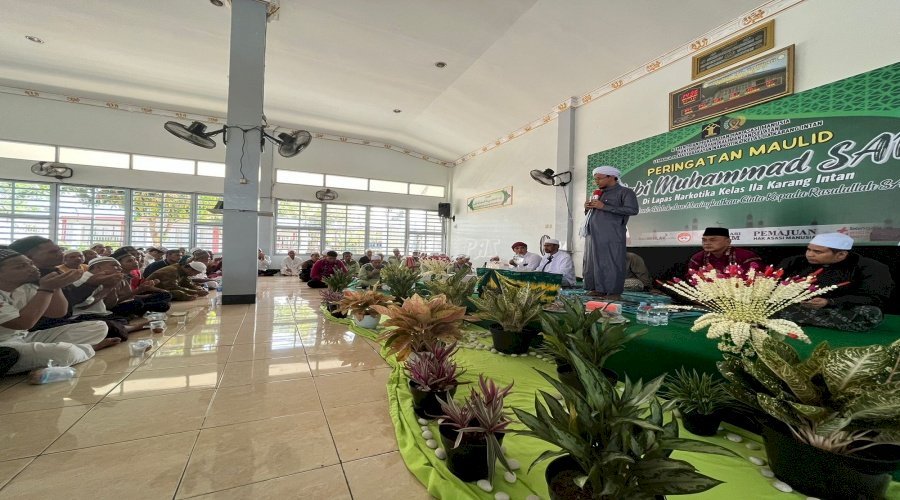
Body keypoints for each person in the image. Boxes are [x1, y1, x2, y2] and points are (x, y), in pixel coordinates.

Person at [0, 248, 113, 374]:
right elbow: (23, 323)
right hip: (5, 347)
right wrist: (46, 289)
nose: (31, 268)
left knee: (98, 327)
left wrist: (56, 286)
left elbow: (58, 313)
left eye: (31, 263)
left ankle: (68, 352)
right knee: (65, 352)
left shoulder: (26, 288)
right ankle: (89, 348)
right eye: (20, 267)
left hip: (24, 337)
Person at [775, 233, 894, 332]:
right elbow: (774, 283)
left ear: (841, 254)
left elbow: (874, 298)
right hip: (796, 305)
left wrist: (829, 302)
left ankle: (791, 318)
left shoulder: (870, 267)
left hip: (840, 308)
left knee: (871, 314)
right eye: (809, 249)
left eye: (818, 252)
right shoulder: (795, 261)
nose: (810, 254)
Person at [582, 165, 639, 298]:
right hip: (593, 234)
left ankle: (613, 292)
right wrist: (587, 208)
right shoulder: (598, 194)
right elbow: (595, 213)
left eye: (599, 178)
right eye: (595, 179)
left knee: (611, 262)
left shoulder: (625, 192)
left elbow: (632, 210)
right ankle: (597, 289)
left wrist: (604, 206)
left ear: (612, 177)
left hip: (612, 234)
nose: (597, 181)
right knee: (593, 262)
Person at [688, 227, 761, 273]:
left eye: (713, 240)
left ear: (728, 242)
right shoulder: (697, 258)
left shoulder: (747, 256)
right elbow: (691, 277)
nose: (707, 243)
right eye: (704, 240)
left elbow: (754, 278)